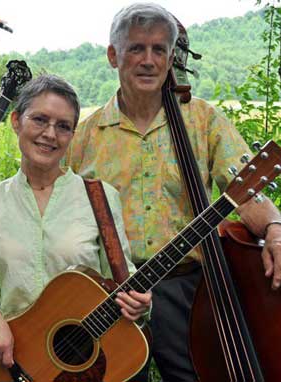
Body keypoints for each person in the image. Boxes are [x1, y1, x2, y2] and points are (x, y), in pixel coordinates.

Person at [65, 3, 281, 381]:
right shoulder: (85, 134)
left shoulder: (202, 119)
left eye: (159, 49)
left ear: (169, 57)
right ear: (113, 55)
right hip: (113, 296)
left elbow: (246, 191)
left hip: (188, 289)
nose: (148, 60)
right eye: (136, 48)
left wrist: (275, 228)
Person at [0, 74, 152, 369]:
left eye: (63, 126)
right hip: (9, 363)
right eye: (39, 120)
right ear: (15, 121)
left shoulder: (101, 199)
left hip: (77, 364)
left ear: (72, 135)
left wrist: (138, 303)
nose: (50, 134)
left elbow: (120, 279)